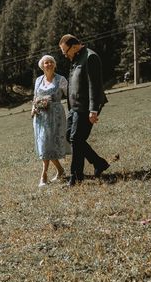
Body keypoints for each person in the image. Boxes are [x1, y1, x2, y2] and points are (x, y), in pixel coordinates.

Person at [59, 34, 110, 185]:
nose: (65, 55)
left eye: (65, 51)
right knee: (71, 137)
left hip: (86, 107)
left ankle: (76, 177)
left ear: (74, 46)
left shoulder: (90, 57)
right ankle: (99, 163)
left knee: (76, 139)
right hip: (74, 107)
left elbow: (95, 85)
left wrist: (93, 110)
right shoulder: (75, 58)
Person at [32, 54, 68, 187]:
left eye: (51, 62)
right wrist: (33, 108)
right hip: (41, 116)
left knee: (50, 144)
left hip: (56, 116)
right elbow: (35, 97)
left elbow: (70, 94)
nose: (48, 65)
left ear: (54, 64)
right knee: (44, 144)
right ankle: (55, 172)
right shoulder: (38, 80)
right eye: (46, 63)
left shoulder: (61, 79)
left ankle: (45, 176)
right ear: (42, 66)